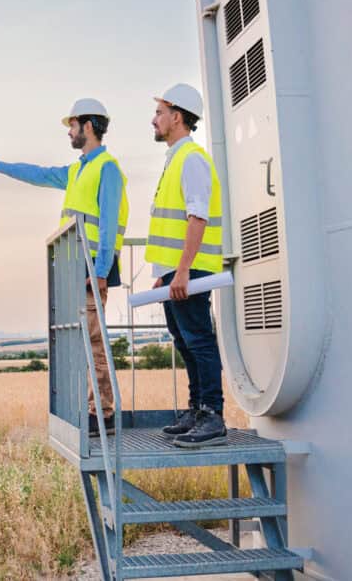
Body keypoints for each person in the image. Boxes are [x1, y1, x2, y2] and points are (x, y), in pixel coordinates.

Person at [0, 98, 128, 436]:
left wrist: (100, 272)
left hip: (91, 267)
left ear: (88, 126)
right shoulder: (77, 170)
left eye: (72, 125)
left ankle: (104, 414)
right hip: (74, 265)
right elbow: (38, 174)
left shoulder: (107, 168)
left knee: (93, 340)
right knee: (81, 341)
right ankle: (93, 409)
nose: (68, 131)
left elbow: (109, 224)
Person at [146, 84, 227, 448]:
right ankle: (197, 409)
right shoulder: (175, 158)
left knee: (199, 340)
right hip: (176, 270)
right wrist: (164, 272)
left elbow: (198, 217)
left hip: (191, 270)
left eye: (160, 112)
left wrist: (181, 270)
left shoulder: (191, 158)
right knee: (184, 340)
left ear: (176, 117)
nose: (155, 119)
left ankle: (212, 414)